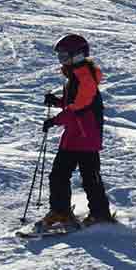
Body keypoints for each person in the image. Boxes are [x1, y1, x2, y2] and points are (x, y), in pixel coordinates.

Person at [38, 33, 116, 231]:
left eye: (65, 56)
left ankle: (99, 214)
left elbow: (78, 108)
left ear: (78, 55)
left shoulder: (84, 79)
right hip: (76, 135)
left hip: (85, 137)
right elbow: (73, 103)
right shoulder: (76, 76)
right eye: (60, 57)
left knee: (87, 177)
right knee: (60, 175)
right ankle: (61, 211)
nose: (61, 61)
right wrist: (57, 102)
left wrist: (55, 120)